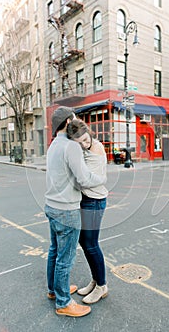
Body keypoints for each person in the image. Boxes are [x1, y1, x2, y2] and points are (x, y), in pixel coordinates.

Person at [45, 106, 106, 317]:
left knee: (54, 250)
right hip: (66, 209)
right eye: (75, 118)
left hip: (51, 206)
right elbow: (84, 179)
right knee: (65, 257)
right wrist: (102, 179)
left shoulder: (54, 145)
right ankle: (63, 302)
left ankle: (54, 290)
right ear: (69, 121)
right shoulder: (70, 146)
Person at [67, 119, 108, 304]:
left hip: (94, 201)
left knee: (91, 244)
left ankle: (102, 286)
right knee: (85, 242)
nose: (85, 144)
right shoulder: (82, 148)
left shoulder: (96, 149)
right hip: (86, 200)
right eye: (79, 143)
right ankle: (95, 280)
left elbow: (85, 180)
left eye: (85, 139)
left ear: (89, 133)